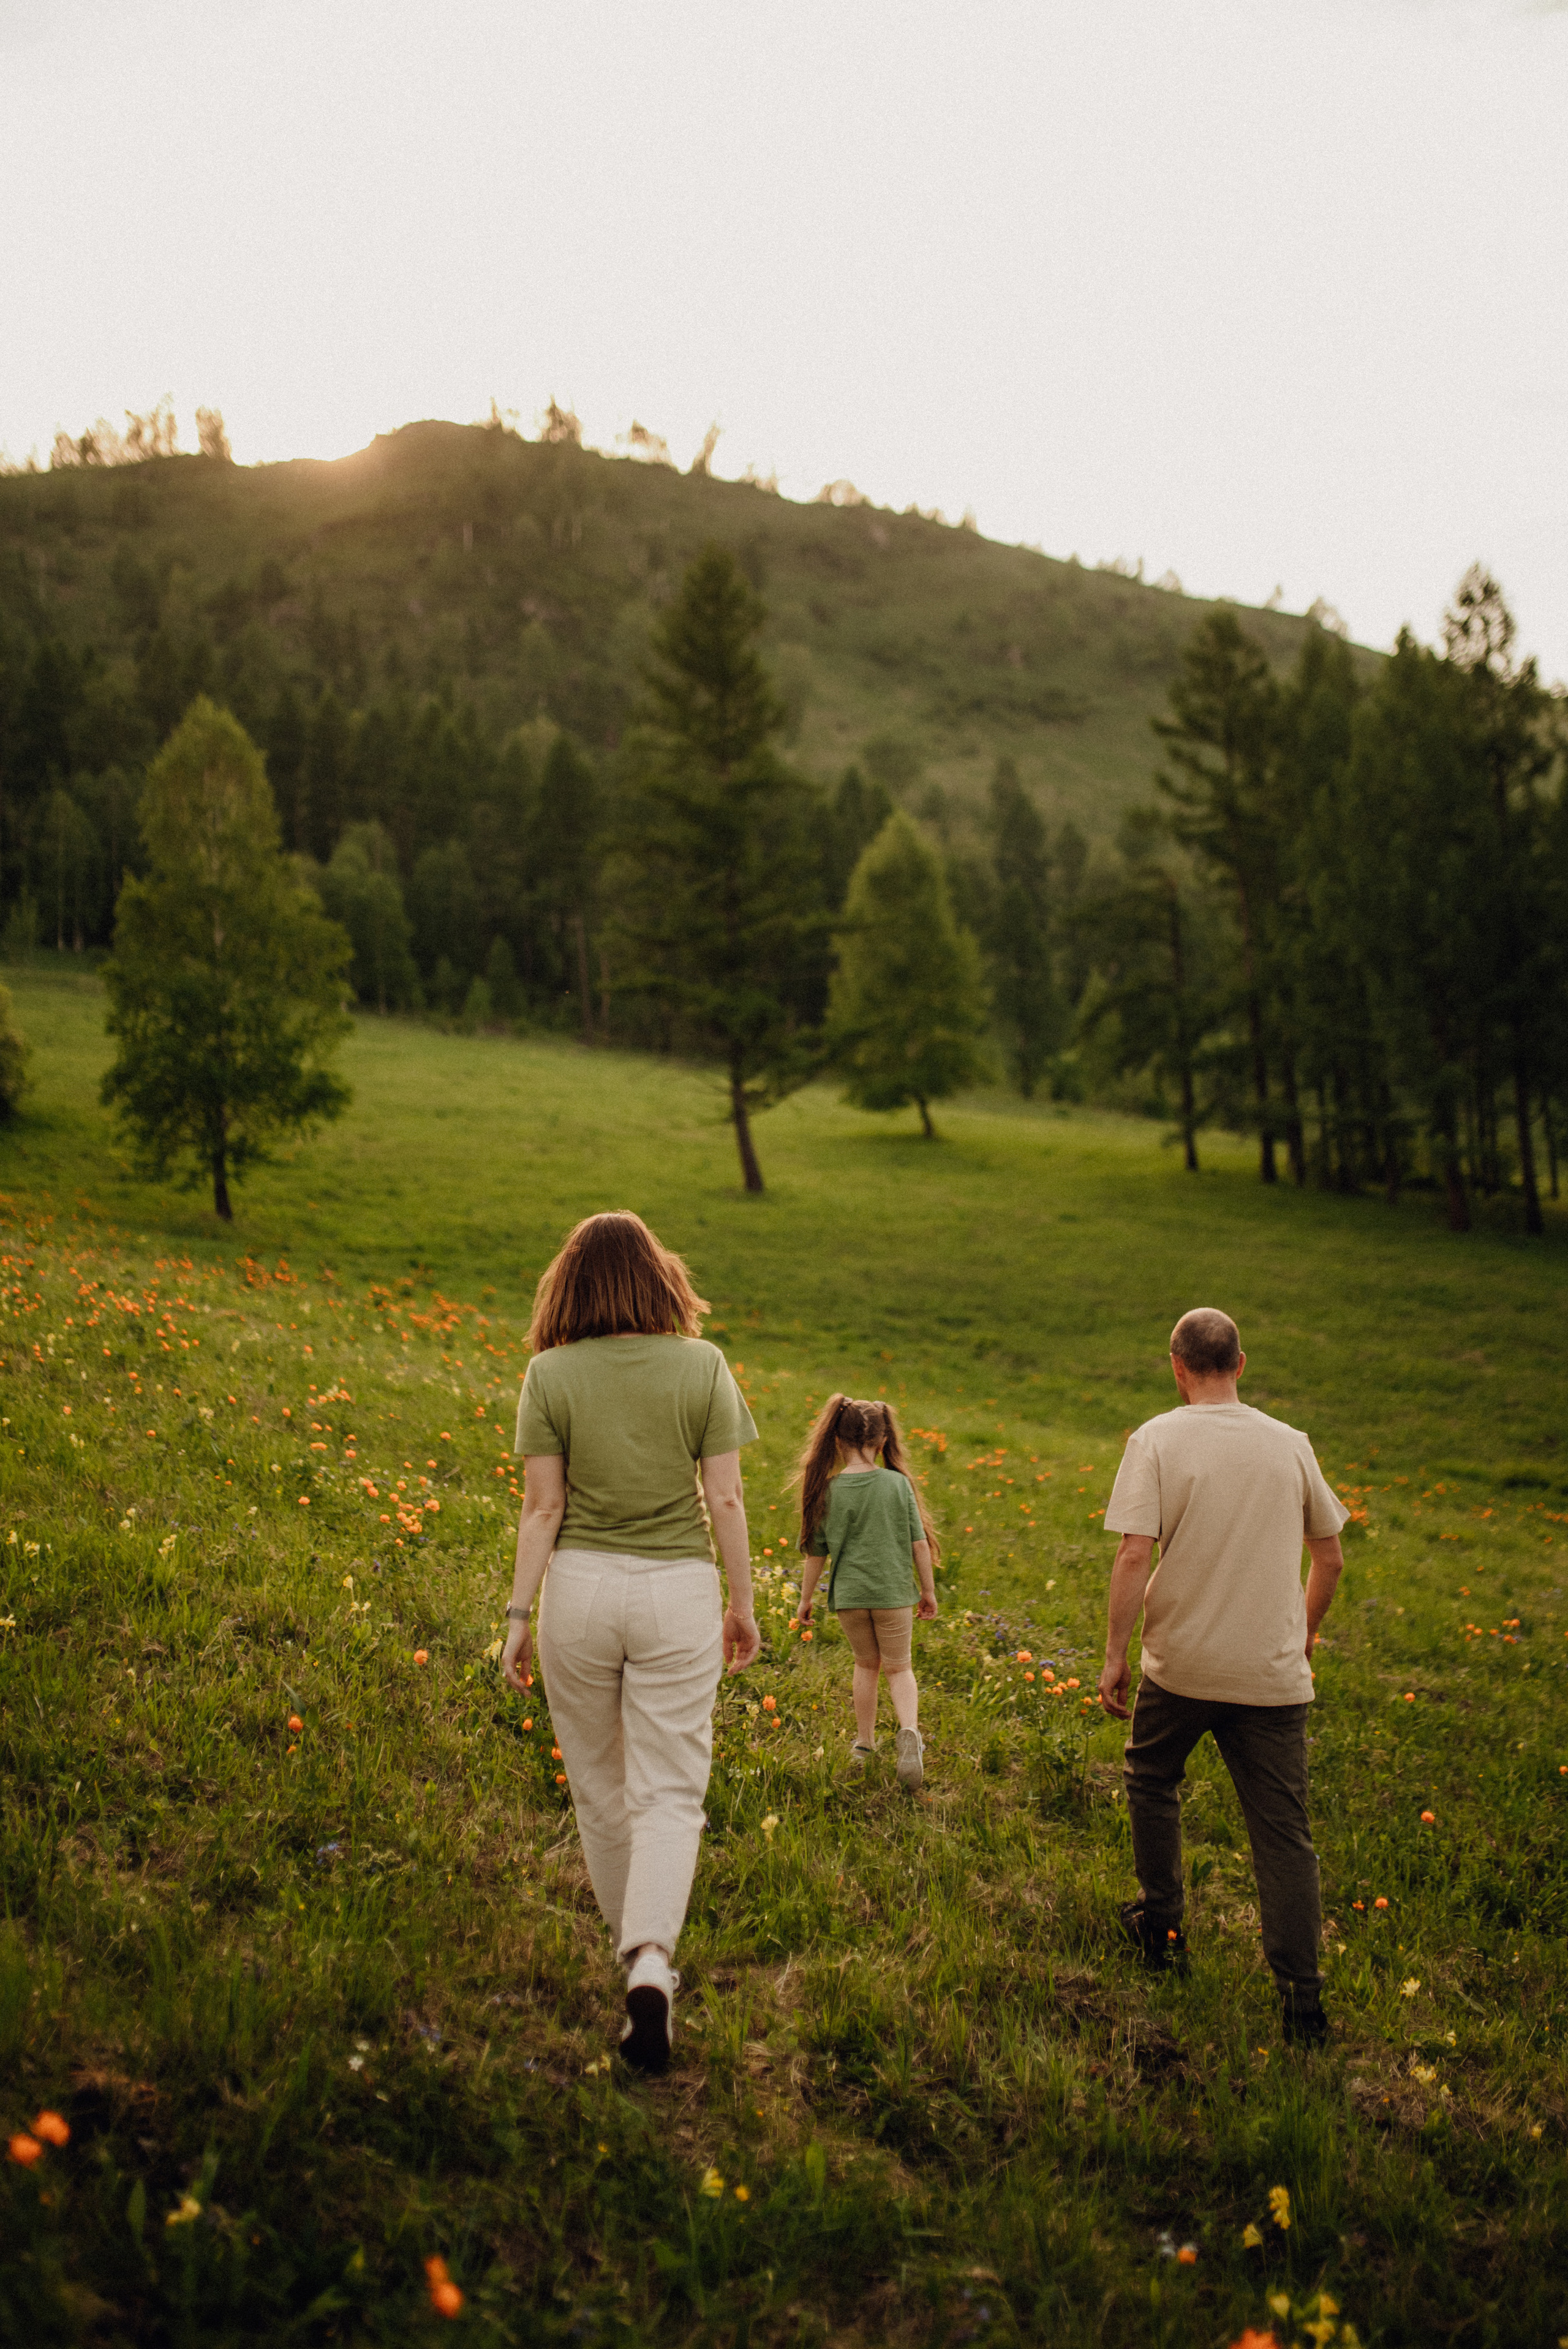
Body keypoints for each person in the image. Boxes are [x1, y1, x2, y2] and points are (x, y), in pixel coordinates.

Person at [499, 1211, 761, 2075]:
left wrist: (516, 1616)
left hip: (579, 1590)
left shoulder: (549, 1373)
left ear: (567, 1283)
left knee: (600, 1787)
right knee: (672, 1790)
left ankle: (634, 1963)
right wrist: (744, 1603)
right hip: (677, 1591)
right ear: (660, 1277)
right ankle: (651, 1959)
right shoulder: (704, 1366)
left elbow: (542, 1507)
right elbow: (724, 1499)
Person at [1098, 1307, 1347, 2046]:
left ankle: (1161, 1926)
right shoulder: (1290, 1445)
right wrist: (1300, 1636)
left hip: (1181, 1667)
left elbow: (1134, 1555)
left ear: (1176, 1367)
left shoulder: (1157, 1439)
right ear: (1241, 1364)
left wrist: (1115, 1654)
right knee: (1282, 1836)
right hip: (1271, 1678)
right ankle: (1303, 2002)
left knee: (1151, 1777)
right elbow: (1330, 1559)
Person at [794, 1395, 939, 1790]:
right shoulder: (897, 1484)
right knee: (899, 1666)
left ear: (837, 1440)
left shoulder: (828, 1490)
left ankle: (864, 1744)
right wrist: (928, 1590)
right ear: (882, 1440)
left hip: (850, 1596)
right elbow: (919, 1543)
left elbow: (815, 1554)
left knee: (866, 1665)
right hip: (893, 1593)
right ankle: (909, 1732)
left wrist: (805, 1599)